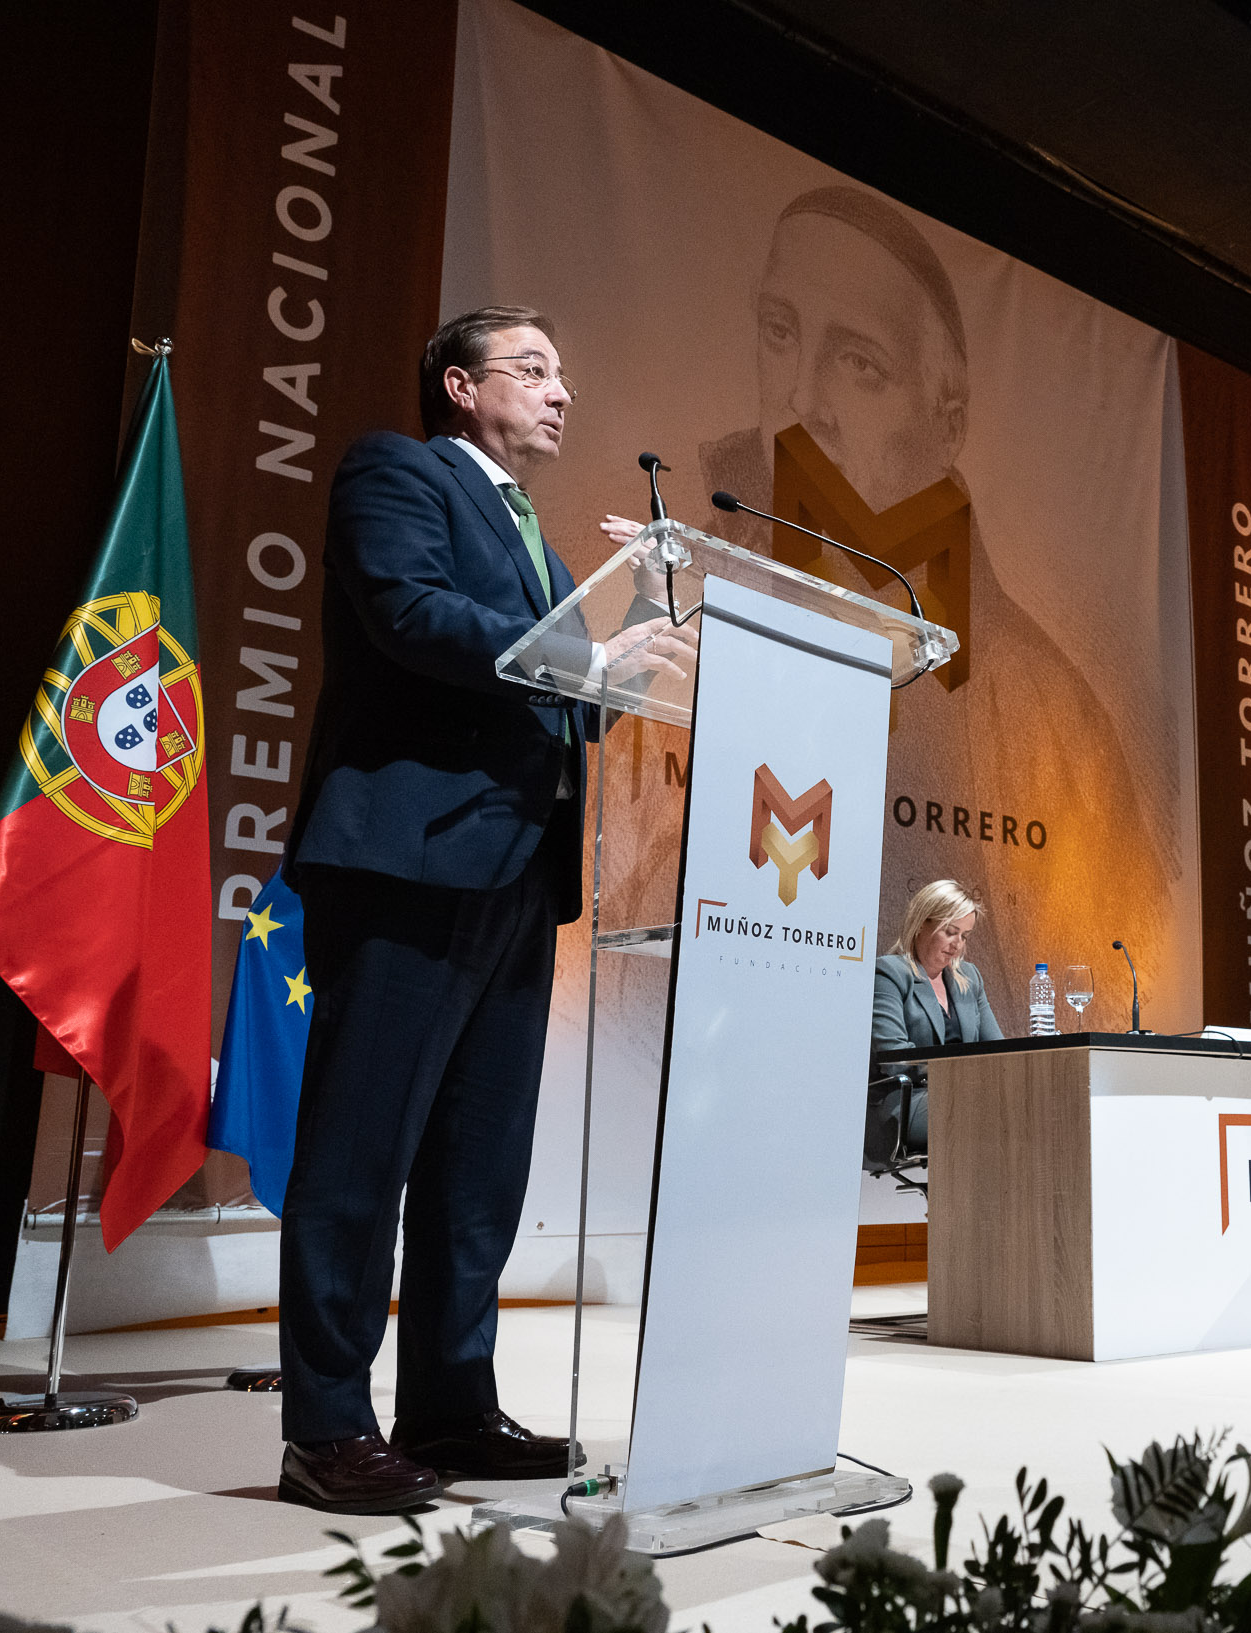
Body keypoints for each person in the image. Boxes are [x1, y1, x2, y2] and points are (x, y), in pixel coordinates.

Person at [273, 306, 695, 1514]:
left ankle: (450, 1406)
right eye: (533, 369)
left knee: (477, 1166)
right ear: (459, 387)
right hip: (410, 862)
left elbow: (568, 704)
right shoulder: (394, 471)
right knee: (362, 1150)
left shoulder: (545, 549)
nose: (562, 392)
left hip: (517, 874)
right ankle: (327, 1425)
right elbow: (410, 615)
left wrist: (628, 640)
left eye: (566, 372)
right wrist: (585, 656)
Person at [699, 186, 1178, 1013]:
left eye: (858, 363)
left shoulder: (1052, 717)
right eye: (780, 333)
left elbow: (1090, 1003)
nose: (799, 397)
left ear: (946, 419)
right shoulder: (690, 604)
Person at [871, 878, 1005, 1053]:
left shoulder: (970, 976)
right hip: (921, 1080)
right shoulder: (890, 973)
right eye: (950, 932)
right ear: (920, 924)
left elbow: (997, 1049)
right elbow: (895, 1056)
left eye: (964, 936)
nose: (958, 944)